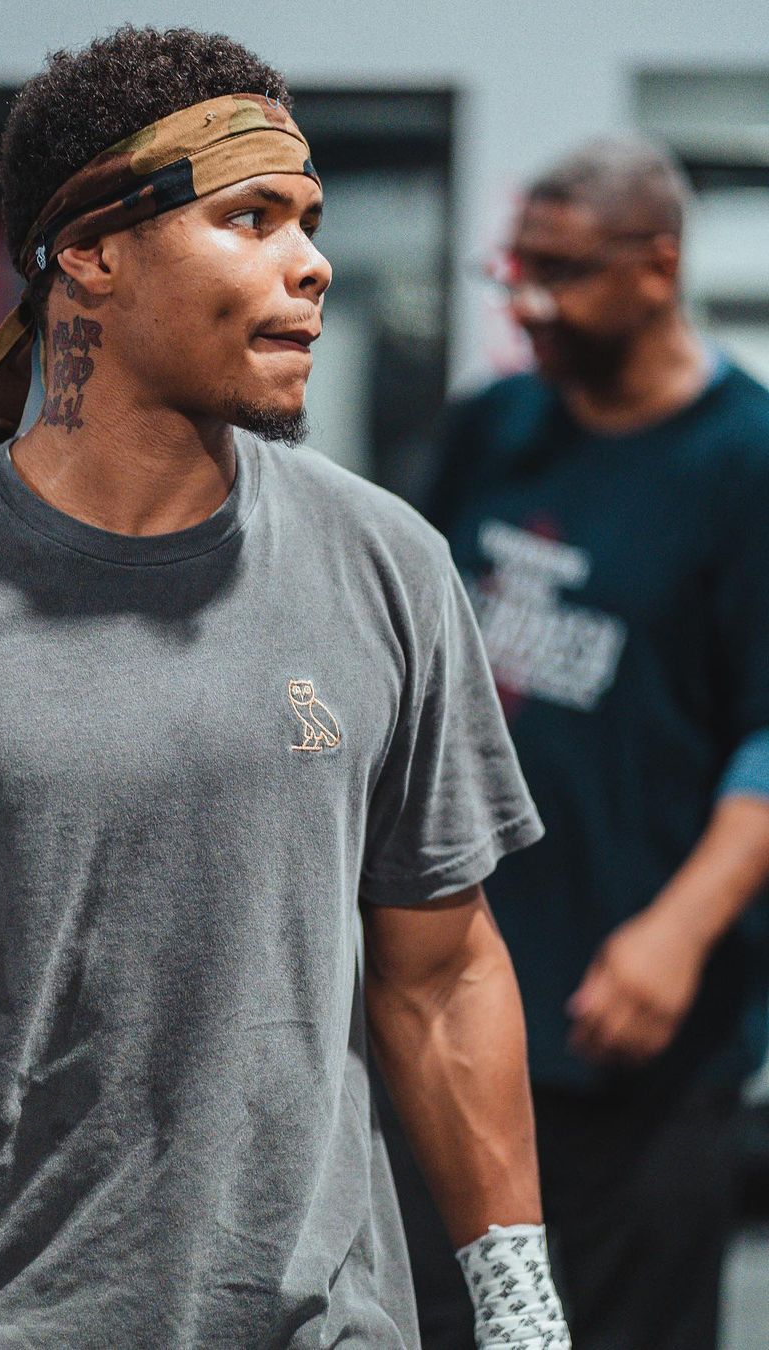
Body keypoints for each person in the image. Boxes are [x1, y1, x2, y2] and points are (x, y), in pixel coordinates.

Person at [0, 27, 569, 1350]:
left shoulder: (389, 567)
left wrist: (521, 1310)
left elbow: (441, 975)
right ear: (92, 251)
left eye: (311, 221)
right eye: (251, 217)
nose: (311, 262)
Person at [387, 136, 769, 1349]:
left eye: (559, 273)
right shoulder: (491, 428)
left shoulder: (747, 461)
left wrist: (679, 931)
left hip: (642, 1027)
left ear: (657, 267)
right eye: (516, 272)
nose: (528, 304)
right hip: (454, 997)